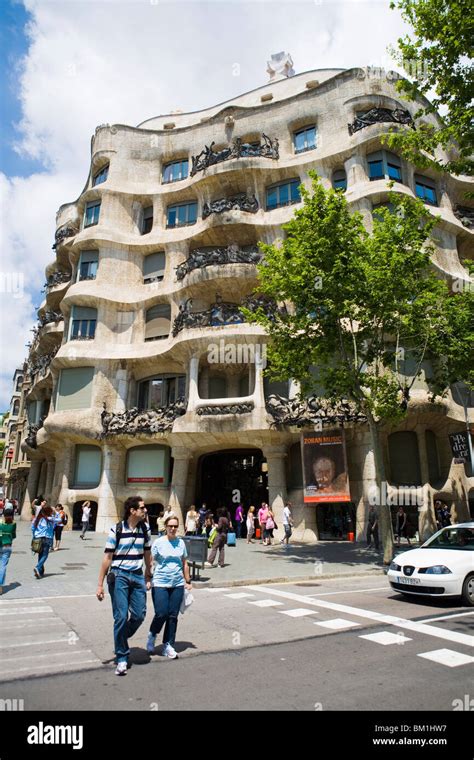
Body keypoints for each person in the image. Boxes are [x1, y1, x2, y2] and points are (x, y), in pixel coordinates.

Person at [96, 496, 152, 676]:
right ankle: (121, 656)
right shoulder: (117, 529)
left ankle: (120, 637)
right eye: (142, 508)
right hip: (119, 575)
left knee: (139, 614)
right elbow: (107, 558)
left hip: (137, 576)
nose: (145, 511)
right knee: (121, 616)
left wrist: (148, 575)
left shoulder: (146, 529)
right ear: (132, 511)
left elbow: (147, 553)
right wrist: (99, 585)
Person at [146, 515, 192, 659]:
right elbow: (150, 562)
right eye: (170, 526)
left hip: (177, 583)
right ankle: (152, 634)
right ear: (165, 527)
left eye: (175, 526)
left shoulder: (181, 543)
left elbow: (184, 562)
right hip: (160, 582)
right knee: (161, 613)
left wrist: (188, 580)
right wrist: (147, 578)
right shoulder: (158, 542)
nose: (173, 528)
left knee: (173, 616)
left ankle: (168, 645)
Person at [32, 504, 59, 579]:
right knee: (45, 555)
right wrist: (56, 512)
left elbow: (32, 528)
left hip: (37, 538)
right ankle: (37, 567)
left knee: (40, 554)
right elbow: (59, 519)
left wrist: (34, 536)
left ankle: (40, 572)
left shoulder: (37, 519)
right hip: (47, 538)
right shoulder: (50, 519)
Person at [0, 508, 16, 594]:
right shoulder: (13, 524)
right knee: (2, 566)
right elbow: (13, 535)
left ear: (4, 515)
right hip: (7, 546)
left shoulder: (0, 523)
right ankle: (0, 586)